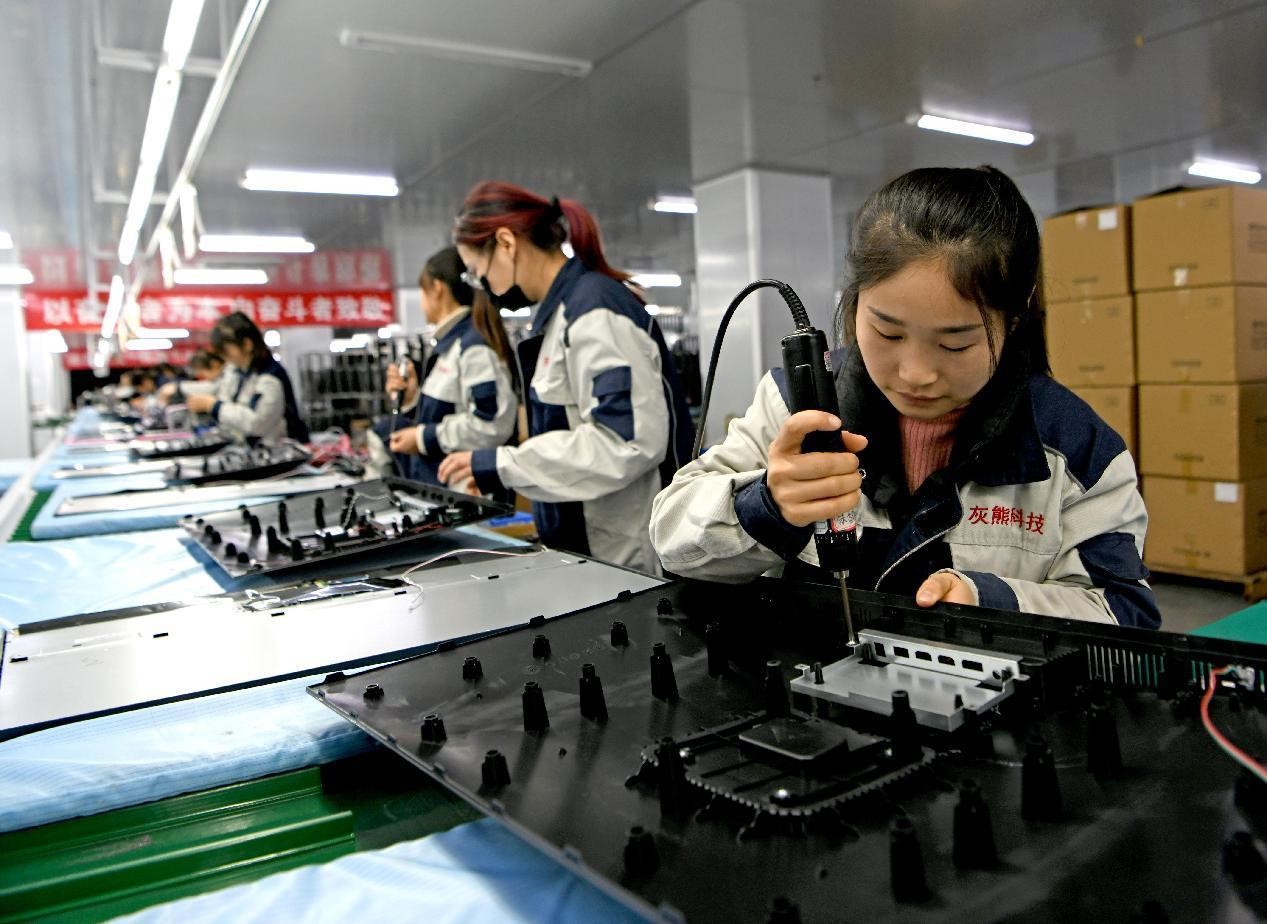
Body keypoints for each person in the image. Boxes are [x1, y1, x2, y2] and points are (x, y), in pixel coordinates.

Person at [650, 165, 1159, 628]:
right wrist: (766, 504)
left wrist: (991, 601)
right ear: (854, 303)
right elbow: (672, 541)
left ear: (1016, 317)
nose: (916, 375)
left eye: (955, 344)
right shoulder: (792, 407)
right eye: (887, 333)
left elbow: (1124, 614)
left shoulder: (1074, 448)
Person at [437, 181, 694, 574]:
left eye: (476, 272)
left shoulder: (594, 312)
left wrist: (503, 464)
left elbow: (624, 443)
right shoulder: (561, 317)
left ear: (506, 243)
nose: (483, 286)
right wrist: (508, 475)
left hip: (630, 555)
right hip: (594, 550)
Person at [368, 246, 518, 485]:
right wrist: (412, 401)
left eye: (422, 290)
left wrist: (422, 438)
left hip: (468, 493)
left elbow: (492, 425)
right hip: (446, 489)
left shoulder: (473, 348)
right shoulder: (450, 347)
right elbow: (451, 412)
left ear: (437, 288)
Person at [185, 312, 309, 444]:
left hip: (281, 449)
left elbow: (257, 424)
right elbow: (220, 389)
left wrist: (215, 407)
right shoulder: (239, 371)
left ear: (247, 344)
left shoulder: (270, 378)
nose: (224, 357)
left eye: (226, 351)